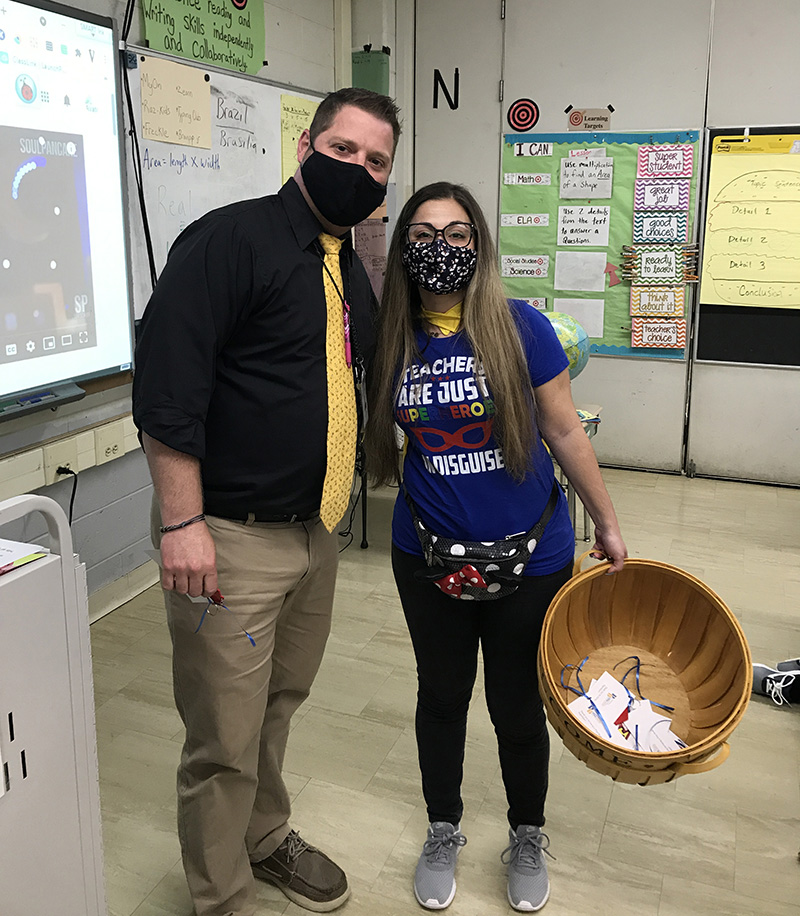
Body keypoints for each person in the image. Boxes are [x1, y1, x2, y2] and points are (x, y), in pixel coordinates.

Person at [132, 87, 401, 916]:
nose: (359, 169)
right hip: (228, 537)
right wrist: (181, 524)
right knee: (222, 740)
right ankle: (222, 898)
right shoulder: (226, 242)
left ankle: (265, 833)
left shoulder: (345, 260)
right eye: (345, 150)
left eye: (377, 161)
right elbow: (168, 388)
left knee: (277, 705)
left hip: (315, 532)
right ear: (305, 148)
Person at [365, 182, 627, 912]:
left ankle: (527, 832)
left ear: (477, 244)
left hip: (533, 555)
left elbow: (565, 431)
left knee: (516, 705)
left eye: (455, 234)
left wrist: (605, 521)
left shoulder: (521, 327)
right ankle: (442, 828)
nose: (438, 248)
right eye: (421, 234)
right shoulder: (390, 335)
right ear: (403, 246)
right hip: (425, 554)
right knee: (443, 696)